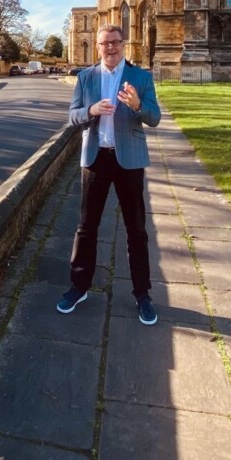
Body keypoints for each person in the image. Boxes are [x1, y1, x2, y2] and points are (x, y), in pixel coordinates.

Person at [57, 24, 161, 325]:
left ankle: (142, 294)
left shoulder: (140, 77)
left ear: (123, 44)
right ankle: (79, 287)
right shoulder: (86, 77)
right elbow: (72, 116)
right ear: (98, 47)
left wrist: (138, 105)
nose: (110, 48)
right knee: (86, 227)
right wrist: (90, 110)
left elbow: (154, 118)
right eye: (105, 43)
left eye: (115, 42)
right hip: (95, 160)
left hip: (129, 161)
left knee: (136, 231)